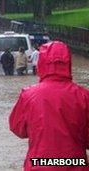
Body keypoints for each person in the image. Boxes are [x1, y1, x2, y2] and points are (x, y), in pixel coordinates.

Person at [9, 41, 89, 171]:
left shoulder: (28, 95)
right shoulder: (84, 96)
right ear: (68, 63)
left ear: (42, 63)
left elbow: (18, 129)